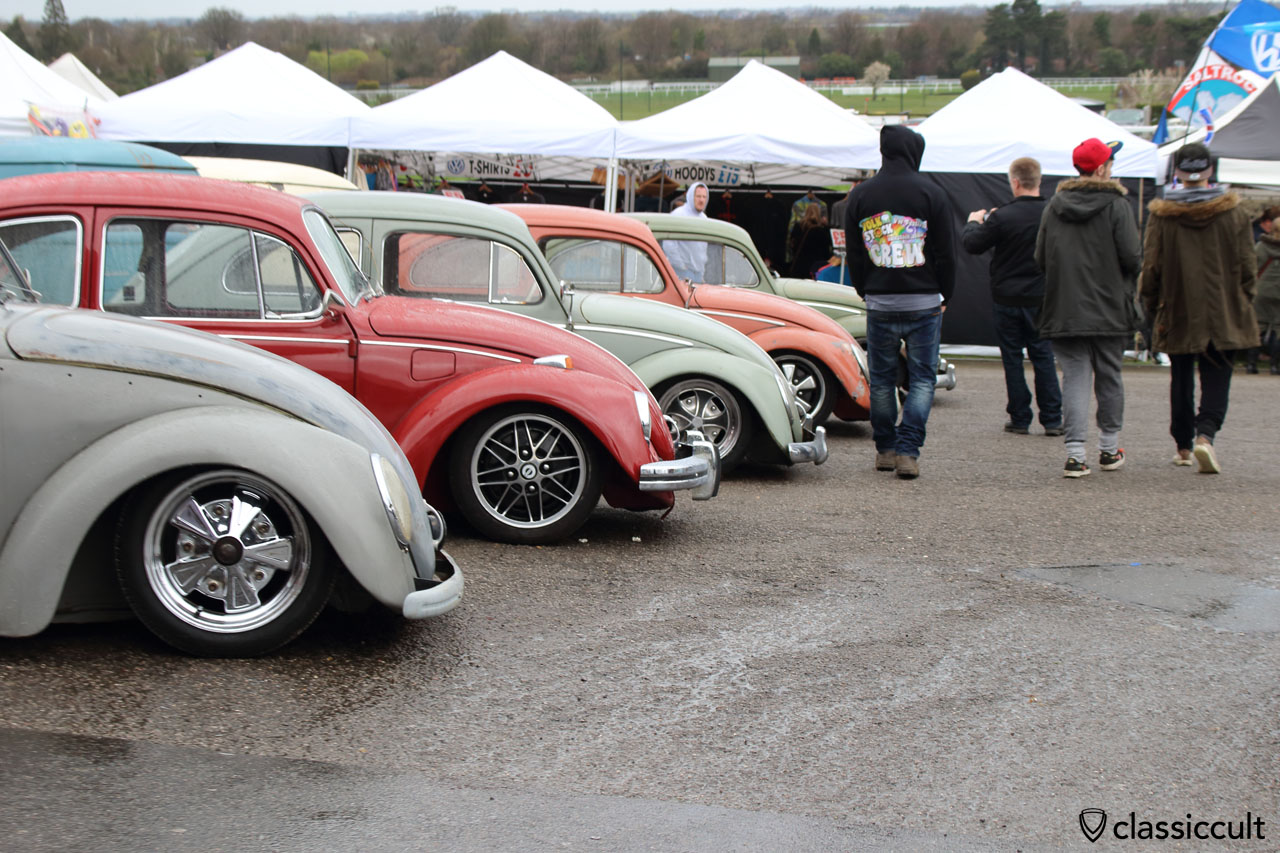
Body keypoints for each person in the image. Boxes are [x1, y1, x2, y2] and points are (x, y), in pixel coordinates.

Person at [843, 125, 955, 480]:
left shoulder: (861, 195)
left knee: (882, 380)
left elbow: (854, 251)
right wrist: (946, 292)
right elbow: (946, 251)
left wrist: (864, 288)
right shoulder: (932, 193)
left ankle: (885, 449)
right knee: (921, 379)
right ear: (914, 152)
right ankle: (908, 451)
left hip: (880, 301)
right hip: (924, 300)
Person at [1140, 142, 1259, 474]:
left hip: (1178, 306)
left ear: (1177, 172)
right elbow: (1248, 264)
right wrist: (1244, 298)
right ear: (1210, 170)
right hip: (1225, 305)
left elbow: (1151, 266)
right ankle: (1206, 435)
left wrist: (1150, 302)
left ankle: (1183, 445)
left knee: (1180, 377)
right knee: (1218, 374)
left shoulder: (1163, 216)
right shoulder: (1235, 214)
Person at [1035, 138, 1142, 478]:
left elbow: (1040, 257)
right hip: (1110, 308)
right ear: (1101, 169)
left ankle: (1075, 455)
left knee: (1075, 379)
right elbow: (1132, 257)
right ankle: (1109, 450)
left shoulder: (1055, 205)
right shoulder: (1118, 205)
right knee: (1110, 377)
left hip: (1065, 308)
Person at [962, 156, 1063, 436]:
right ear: (1039, 181)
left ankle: (1020, 417)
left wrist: (974, 222)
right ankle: (1052, 419)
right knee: (1043, 357)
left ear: (1015, 182)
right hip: (1040, 297)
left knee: (1012, 359)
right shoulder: (1051, 214)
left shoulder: (1003, 216)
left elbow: (972, 244)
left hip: (1007, 297)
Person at [1247, 205, 1280, 374]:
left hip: (1261, 290)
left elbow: (1252, 267)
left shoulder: (1261, 246)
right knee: (1277, 328)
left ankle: (1251, 364)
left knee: (1258, 326)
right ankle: (1274, 366)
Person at [662, 182, 710, 282]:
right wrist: (681, 266)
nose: (701, 200)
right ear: (691, 196)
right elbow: (668, 243)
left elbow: (703, 248)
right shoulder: (678, 215)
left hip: (698, 274)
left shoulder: (704, 219)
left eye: (704, 197)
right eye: (698, 196)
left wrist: (702, 272)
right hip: (681, 273)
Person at [788, 203, 831, 279]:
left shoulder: (798, 226)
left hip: (800, 265)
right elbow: (827, 248)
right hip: (816, 267)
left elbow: (792, 244)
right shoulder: (822, 229)